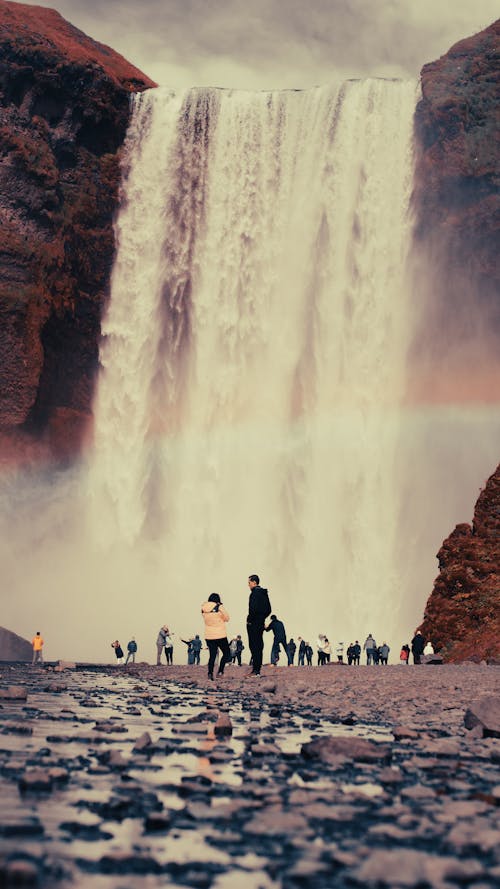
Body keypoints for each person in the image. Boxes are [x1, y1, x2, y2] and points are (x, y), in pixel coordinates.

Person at [246, 574, 272, 677]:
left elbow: (252, 609)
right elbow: (269, 610)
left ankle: (255, 670)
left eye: (249, 583)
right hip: (260, 623)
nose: (248, 585)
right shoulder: (264, 593)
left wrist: (250, 620)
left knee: (254, 646)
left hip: (254, 624)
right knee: (259, 645)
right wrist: (262, 618)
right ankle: (257, 670)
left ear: (254, 582)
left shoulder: (254, 594)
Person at [201, 593, 231, 680]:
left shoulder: (203, 608)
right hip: (220, 635)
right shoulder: (219, 607)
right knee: (226, 653)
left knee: (212, 655)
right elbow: (227, 618)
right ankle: (220, 672)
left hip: (209, 635)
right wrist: (220, 607)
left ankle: (210, 673)